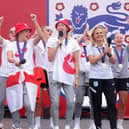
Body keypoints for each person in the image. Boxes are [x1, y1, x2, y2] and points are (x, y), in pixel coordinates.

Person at [6, 14, 41, 129]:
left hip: (29, 77)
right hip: (14, 77)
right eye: (26, 31)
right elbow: (9, 57)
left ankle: (31, 126)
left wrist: (35, 21)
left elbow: (41, 36)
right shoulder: (11, 44)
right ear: (20, 32)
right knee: (14, 104)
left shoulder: (30, 43)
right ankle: (17, 126)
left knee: (29, 103)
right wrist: (14, 60)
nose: (28, 33)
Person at [47, 18, 80, 129]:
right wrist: (57, 44)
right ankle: (55, 125)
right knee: (55, 103)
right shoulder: (52, 40)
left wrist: (76, 77)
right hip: (54, 73)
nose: (60, 27)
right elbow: (50, 58)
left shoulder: (73, 42)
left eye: (63, 25)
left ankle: (67, 125)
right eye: (58, 25)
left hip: (68, 74)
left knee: (71, 102)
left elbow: (76, 61)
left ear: (67, 28)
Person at [87, 25, 117, 129]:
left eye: (101, 33)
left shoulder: (108, 46)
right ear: (93, 36)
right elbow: (92, 61)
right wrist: (103, 54)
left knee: (112, 104)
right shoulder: (90, 46)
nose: (99, 35)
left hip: (108, 77)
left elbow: (113, 62)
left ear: (104, 34)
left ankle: (114, 126)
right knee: (97, 104)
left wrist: (108, 54)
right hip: (95, 77)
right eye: (97, 33)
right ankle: (98, 126)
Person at [32, 24, 53, 129]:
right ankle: (37, 123)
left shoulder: (54, 42)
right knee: (38, 100)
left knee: (53, 99)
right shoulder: (37, 43)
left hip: (50, 72)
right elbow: (28, 44)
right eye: (47, 30)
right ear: (42, 32)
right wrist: (35, 35)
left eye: (51, 31)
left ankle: (53, 123)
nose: (50, 32)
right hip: (39, 71)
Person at [73, 24, 92, 129]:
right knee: (79, 100)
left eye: (89, 36)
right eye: (86, 36)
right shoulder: (79, 47)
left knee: (93, 101)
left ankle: (92, 123)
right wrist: (83, 33)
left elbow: (99, 43)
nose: (87, 37)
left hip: (92, 75)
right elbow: (73, 43)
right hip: (80, 74)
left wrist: (90, 34)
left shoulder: (94, 46)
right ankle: (76, 123)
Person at [111, 33, 129, 129]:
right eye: (117, 38)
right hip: (113, 77)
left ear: (124, 39)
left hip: (124, 77)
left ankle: (120, 123)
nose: (119, 39)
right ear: (114, 39)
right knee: (112, 102)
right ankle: (113, 123)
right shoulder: (111, 49)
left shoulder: (126, 49)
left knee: (122, 102)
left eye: (121, 38)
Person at [0, 16, 12, 129]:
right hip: (4, 74)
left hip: (16, 76)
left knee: (16, 100)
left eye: (15, 32)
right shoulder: (6, 43)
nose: (13, 33)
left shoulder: (23, 44)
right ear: (9, 34)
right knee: (1, 99)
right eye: (11, 32)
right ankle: (0, 121)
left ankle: (16, 122)